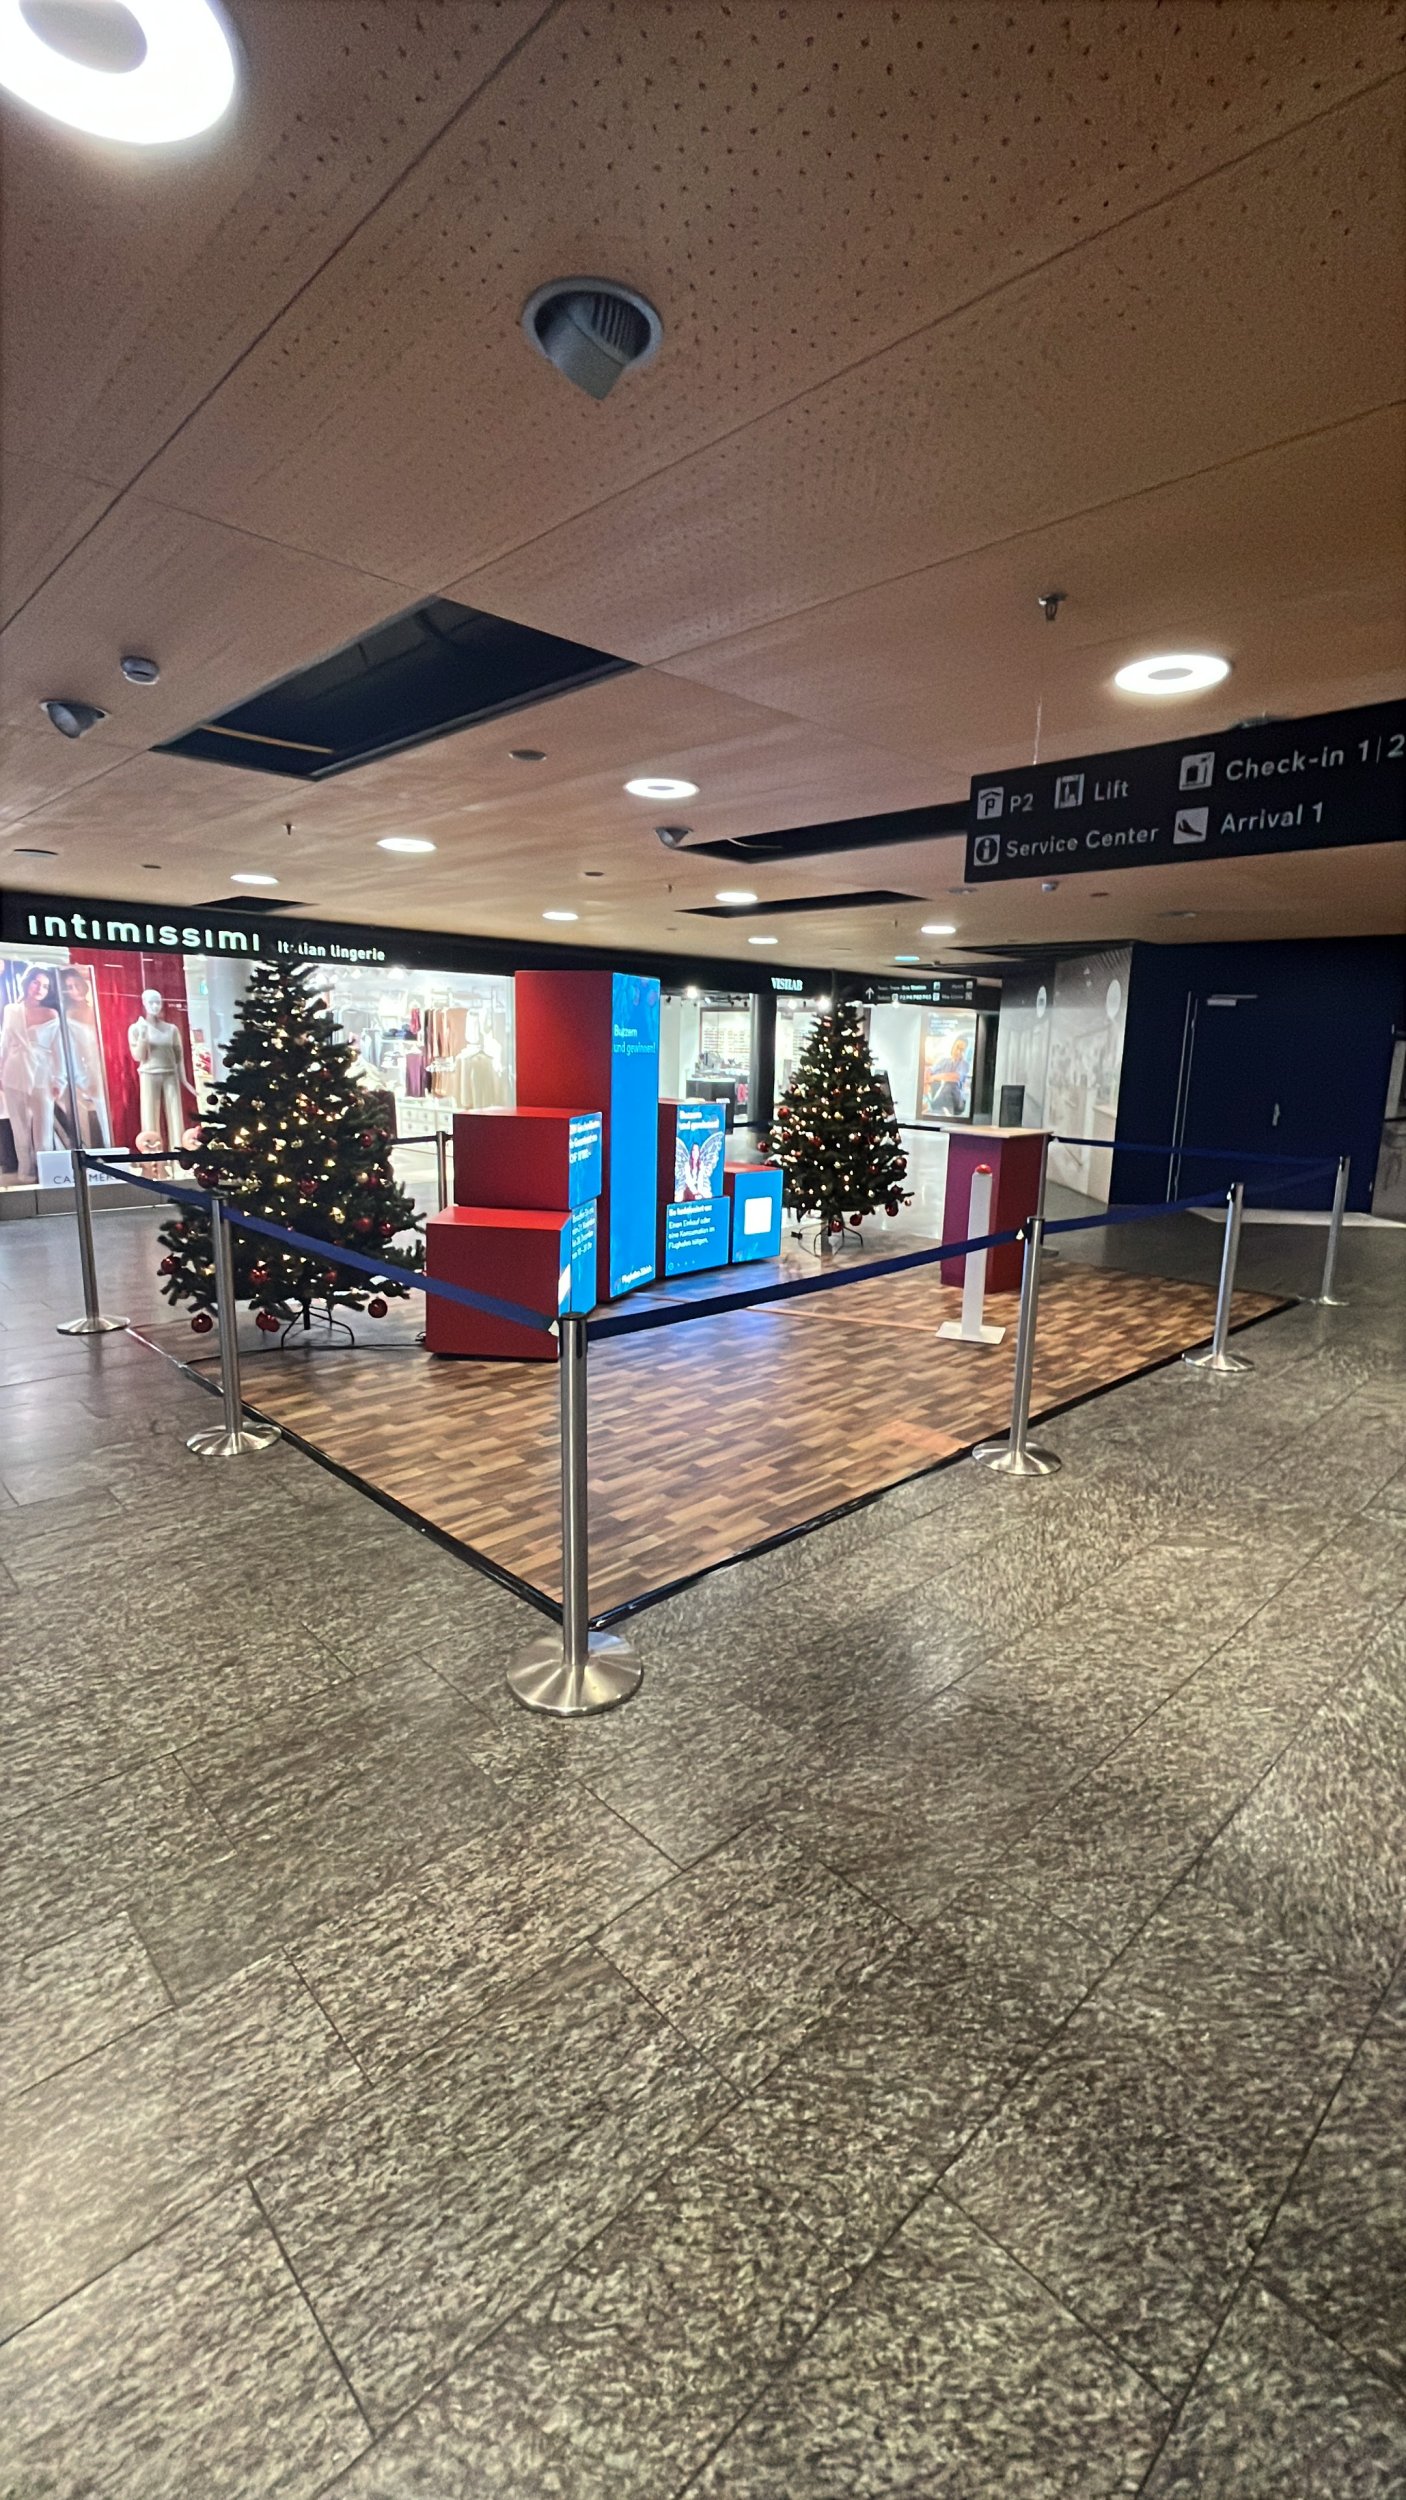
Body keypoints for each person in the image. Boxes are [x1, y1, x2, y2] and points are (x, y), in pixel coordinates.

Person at [1, 966, 65, 1181]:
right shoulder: (12, 1010)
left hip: (42, 1074)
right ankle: (25, 1171)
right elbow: (5, 1043)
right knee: (19, 1127)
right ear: (27, 983)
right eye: (36, 982)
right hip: (14, 1072)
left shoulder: (52, 1014)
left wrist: (59, 1079)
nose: (40, 989)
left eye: (45, 986)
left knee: (43, 1127)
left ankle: (47, 1172)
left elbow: (58, 1049)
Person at [57, 966, 109, 1148]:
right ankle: (87, 1152)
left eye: (77, 984)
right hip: (83, 1070)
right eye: (69, 987)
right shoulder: (67, 1017)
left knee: (107, 1114)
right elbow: (71, 1050)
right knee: (83, 1119)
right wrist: (83, 1078)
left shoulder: (99, 1010)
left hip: (105, 1065)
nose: (75, 990)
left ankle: (112, 1151)